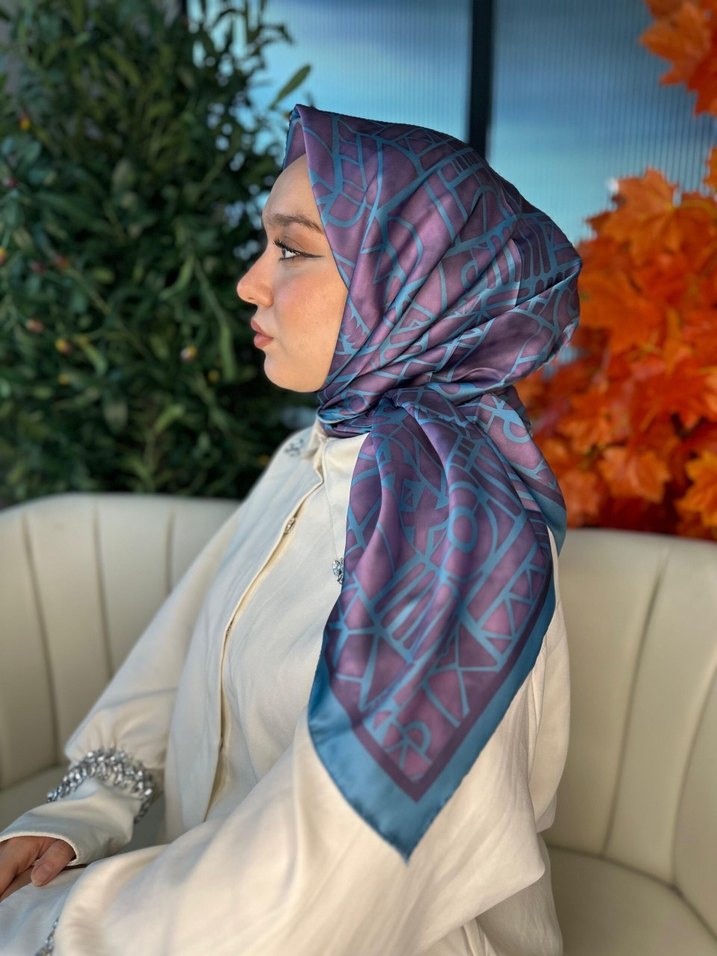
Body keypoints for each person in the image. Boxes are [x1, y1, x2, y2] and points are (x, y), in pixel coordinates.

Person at [0, 104, 581, 955]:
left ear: (411, 286)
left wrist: (45, 928)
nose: (249, 282)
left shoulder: (460, 543)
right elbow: (179, 649)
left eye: (293, 249)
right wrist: (82, 811)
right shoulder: (319, 454)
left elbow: (320, 876)